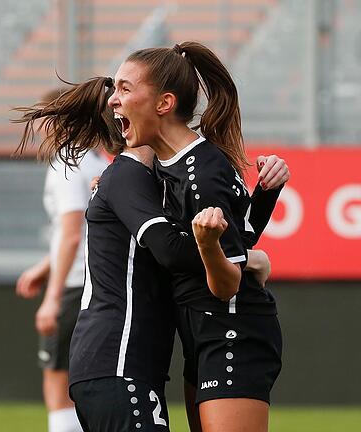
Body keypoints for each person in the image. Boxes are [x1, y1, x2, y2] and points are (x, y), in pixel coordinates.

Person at [13, 70, 288, 430]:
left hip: (127, 365)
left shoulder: (147, 182)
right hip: (116, 360)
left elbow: (221, 239)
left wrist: (263, 199)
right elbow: (175, 252)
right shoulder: (128, 178)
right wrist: (244, 259)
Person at [104, 41, 285, 432]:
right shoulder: (172, 165)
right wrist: (266, 196)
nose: (113, 101)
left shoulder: (201, 172)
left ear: (164, 103)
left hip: (232, 333)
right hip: (203, 333)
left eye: (124, 88)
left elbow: (227, 284)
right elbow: (241, 239)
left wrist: (207, 245)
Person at [16, 88, 109, 432]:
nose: (40, 129)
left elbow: (71, 232)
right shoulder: (97, 161)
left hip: (74, 285)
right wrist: (45, 266)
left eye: (45, 119)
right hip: (98, 280)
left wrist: (51, 299)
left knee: (58, 382)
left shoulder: (67, 166)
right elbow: (85, 228)